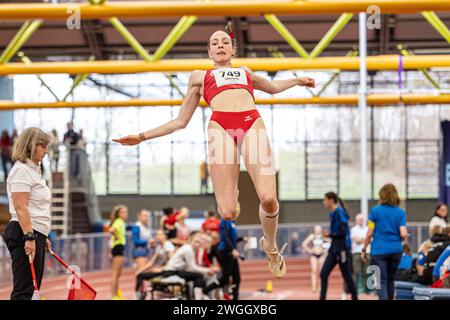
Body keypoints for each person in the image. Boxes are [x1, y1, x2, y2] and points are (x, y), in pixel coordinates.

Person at [112, 21, 316, 278]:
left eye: (225, 43)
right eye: (214, 43)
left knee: (268, 199)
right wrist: (141, 137)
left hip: (251, 121)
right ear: (209, 52)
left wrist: (299, 80)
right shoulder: (200, 76)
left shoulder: (245, 71)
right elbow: (180, 121)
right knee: (228, 212)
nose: (220, 46)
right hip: (220, 126)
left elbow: (273, 88)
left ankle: (271, 246)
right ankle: (233, 190)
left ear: (233, 50)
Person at [2, 127, 52, 300]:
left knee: (30, 290)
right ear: (31, 145)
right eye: (42, 146)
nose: (46, 151)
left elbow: (35, 207)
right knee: (23, 291)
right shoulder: (21, 170)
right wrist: (30, 236)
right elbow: (21, 207)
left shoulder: (34, 170)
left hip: (33, 232)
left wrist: (42, 235)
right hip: (24, 233)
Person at [361, 183, 408, 300]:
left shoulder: (375, 211)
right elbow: (403, 233)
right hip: (396, 250)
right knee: (391, 280)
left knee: (381, 281)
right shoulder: (400, 212)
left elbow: (370, 233)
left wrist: (363, 249)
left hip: (379, 251)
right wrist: (402, 239)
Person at [320, 192, 358, 300]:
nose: (323, 202)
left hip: (342, 249)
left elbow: (343, 231)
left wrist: (330, 234)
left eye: (325, 200)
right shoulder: (332, 213)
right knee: (323, 274)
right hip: (334, 248)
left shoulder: (340, 212)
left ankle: (355, 297)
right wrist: (331, 234)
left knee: (347, 276)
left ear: (331, 200)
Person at [134, 229, 175, 300]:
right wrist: (139, 270)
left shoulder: (168, 245)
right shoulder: (159, 247)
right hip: (159, 270)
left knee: (142, 276)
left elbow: (173, 262)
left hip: (167, 271)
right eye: (157, 234)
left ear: (165, 236)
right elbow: (151, 262)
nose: (158, 236)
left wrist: (161, 269)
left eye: (160, 234)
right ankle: (139, 295)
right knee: (140, 275)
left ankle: (138, 297)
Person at [109, 204, 128, 300]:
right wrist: (116, 237)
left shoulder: (120, 222)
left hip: (119, 246)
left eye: (126, 212)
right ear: (119, 214)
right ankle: (114, 296)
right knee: (115, 273)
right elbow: (111, 229)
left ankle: (117, 293)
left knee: (118, 273)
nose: (126, 214)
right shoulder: (119, 221)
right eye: (124, 212)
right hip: (118, 246)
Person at [302, 225, 327, 292]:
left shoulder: (323, 236)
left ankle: (320, 287)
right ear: (314, 230)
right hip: (314, 255)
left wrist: (325, 250)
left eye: (319, 229)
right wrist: (309, 250)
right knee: (314, 270)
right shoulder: (312, 236)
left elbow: (329, 243)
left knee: (321, 271)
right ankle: (314, 287)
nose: (318, 230)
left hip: (321, 255)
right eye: (316, 229)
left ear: (321, 230)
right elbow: (304, 244)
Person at [350, 213, 370, 293]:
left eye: (362, 219)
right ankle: (355, 290)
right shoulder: (353, 229)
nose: (360, 221)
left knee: (367, 271)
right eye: (359, 219)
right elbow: (357, 241)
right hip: (356, 252)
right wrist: (365, 239)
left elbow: (370, 239)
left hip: (367, 252)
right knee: (356, 272)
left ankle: (367, 290)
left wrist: (363, 239)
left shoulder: (368, 228)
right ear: (356, 220)